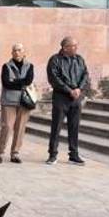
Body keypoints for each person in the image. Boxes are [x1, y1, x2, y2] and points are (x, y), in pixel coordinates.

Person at [46, 36, 90, 165]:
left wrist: (79, 89)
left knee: (74, 127)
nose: (76, 48)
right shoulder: (55, 60)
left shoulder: (79, 59)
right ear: (65, 47)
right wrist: (68, 90)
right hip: (61, 97)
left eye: (76, 45)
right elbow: (54, 78)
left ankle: (74, 154)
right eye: (73, 45)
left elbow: (85, 75)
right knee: (56, 126)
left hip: (76, 98)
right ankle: (53, 154)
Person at [0, 43, 33, 164]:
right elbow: (6, 83)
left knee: (20, 128)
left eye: (19, 50)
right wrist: (20, 83)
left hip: (24, 101)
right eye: (14, 50)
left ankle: (15, 153)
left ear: (23, 52)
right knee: (7, 126)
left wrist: (15, 81)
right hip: (8, 101)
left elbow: (28, 81)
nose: (17, 52)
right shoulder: (6, 66)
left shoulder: (29, 66)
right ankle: (0, 153)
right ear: (11, 53)